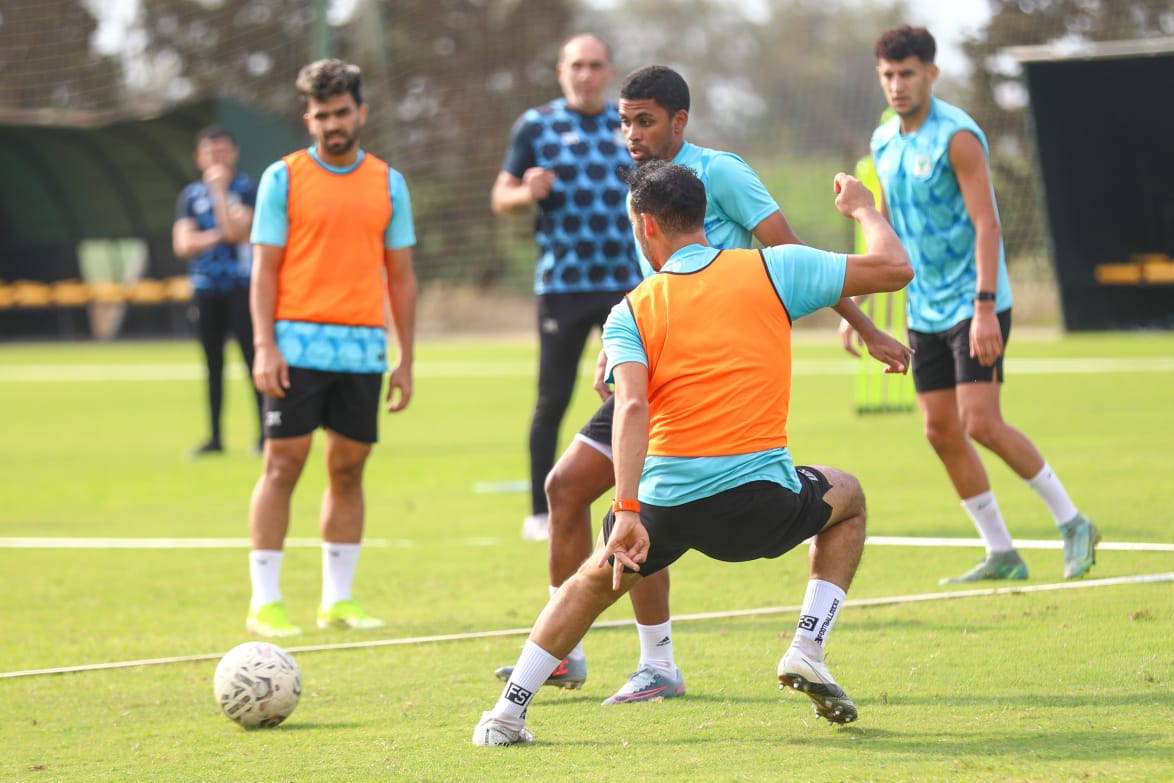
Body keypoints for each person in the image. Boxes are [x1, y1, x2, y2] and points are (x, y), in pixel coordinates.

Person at [493, 64, 913, 704]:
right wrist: (622, 346)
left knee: (639, 506)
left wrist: (864, 327)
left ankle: (640, 664)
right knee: (567, 486)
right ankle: (586, 654)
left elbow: (790, 251)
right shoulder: (642, 187)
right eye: (625, 121)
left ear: (679, 121)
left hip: (712, 367)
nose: (632, 133)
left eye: (645, 121)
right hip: (658, 357)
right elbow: (662, 282)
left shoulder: (721, 174)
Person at [845, 24, 1099, 583]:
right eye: (887, 75)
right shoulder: (884, 141)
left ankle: (1074, 522)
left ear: (931, 74)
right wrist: (860, 292)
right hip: (924, 307)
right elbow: (885, 224)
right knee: (940, 431)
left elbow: (988, 224)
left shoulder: (957, 136)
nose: (897, 84)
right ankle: (1001, 552)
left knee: (981, 421)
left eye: (907, 73)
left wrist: (985, 307)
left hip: (974, 302)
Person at [245, 59, 417, 637]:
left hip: (363, 352)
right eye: (321, 115)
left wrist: (405, 358)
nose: (332, 124)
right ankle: (265, 602)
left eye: (341, 112)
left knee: (348, 471)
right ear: (308, 119)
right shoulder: (282, 178)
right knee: (282, 466)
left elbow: (402, 279)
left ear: (360, 112)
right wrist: (264, 345)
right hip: (294, 348)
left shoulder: (389, 184)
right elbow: (264, 270)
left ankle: (337, 600)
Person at [489, 34, 642, 543]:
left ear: (610, 71)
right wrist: (524, 193)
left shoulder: (629, 124)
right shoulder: (537, 125)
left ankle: (643, 499)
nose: (586, 74)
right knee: (552, 398)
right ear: (561, 72)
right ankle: (539, 512)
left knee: (638, 393)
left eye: (596, 65)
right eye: (577, 65)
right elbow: (500, 197)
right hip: (564, 286)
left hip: (628, 286)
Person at [172, 126, 263, 457]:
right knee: (213, 365)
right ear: (199, 157)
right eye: (210, 153)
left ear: (234, 153)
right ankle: (214, 437)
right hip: (206, 289)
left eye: (222, 151)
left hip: (242, 287)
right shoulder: (190, 196)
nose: (217, 159)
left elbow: (238, 231)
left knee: (254, 361)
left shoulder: (248, 189)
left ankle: (265, 435)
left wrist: (220, 194)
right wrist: (217, 236)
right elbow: (183, 244)